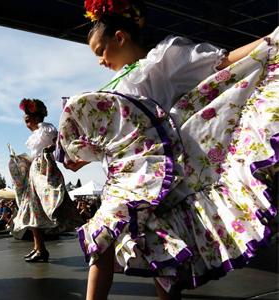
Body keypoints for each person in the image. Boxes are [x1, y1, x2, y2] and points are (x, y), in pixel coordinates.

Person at [56, 1, 278, 299]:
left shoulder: (163, 62)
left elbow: (225, 63)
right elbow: (121, 137)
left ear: (120, 37)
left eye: (100, 50)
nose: (99, 60)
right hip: (125, 180)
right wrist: (82, 161)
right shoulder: (115, 83)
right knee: (107, 237)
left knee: (153, 250)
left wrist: (271, 42)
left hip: (163, 177)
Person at [8, 98, 81, 263]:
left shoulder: (46, 129)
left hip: (43, 169)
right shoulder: (37, 134)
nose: (27, 124)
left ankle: (41, 248)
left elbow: (59, 143)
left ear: (36, 117)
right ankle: (38, 247)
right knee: (32, 209)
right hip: (35, 170)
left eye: (28, 120)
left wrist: (53, 149)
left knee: (37, 207)